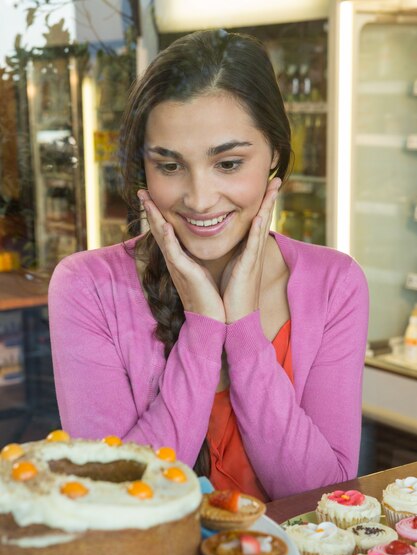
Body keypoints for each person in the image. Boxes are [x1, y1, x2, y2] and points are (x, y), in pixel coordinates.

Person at [48, 29, 369, 502]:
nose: (199, 199)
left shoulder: (335, 284)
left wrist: (242, 328)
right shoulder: (86, 287)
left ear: (274, 155)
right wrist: (202, 330)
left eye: (229, 163)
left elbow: (324, 502)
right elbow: (113, 499)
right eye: (170, 166)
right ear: (144, 169)